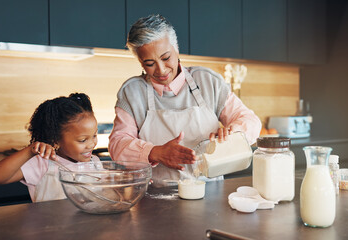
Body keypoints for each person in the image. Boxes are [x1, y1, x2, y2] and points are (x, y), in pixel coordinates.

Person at [109, 14, 262, 187]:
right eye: (149, 63)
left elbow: (251, 121)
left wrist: (233, 133)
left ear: (177, 49)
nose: (161, 70)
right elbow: (117, 145)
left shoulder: (208, 81)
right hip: (155, 200)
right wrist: (155, 152)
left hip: (211, 195)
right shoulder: (132, 92)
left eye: (166, 58)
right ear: (140, 62)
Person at [0, 93, 100, 202]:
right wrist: (30, 151)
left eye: (94, 135)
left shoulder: (95, 163)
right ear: (55, 139)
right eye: (82, 140)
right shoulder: (43, 163)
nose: (92, 144)